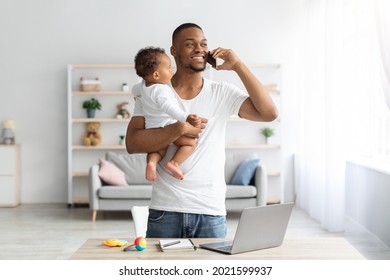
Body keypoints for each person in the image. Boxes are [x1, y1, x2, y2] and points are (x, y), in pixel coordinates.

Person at [126, 23, 278, 238]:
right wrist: (179, 128)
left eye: (204, 44)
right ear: (174, 51)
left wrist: (238, 66)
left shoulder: (222, 92)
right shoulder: (152, 91)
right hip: (166, 210)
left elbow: (269, 113)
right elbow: (133, 144)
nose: (199, 49)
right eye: (190, 44)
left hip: (210, 213)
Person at [133, 47, 202, 181]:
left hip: (152, 129)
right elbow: (170, 108)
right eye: (169, 68)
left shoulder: (142, 86)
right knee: (190, 143)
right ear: (156, 75)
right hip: (167, 126)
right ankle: (174, 163)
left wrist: (135, 97)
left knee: (158, 151)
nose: (172, 71)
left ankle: (151, 163)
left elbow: (133, 90)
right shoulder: (161, 90)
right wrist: (186, 117)